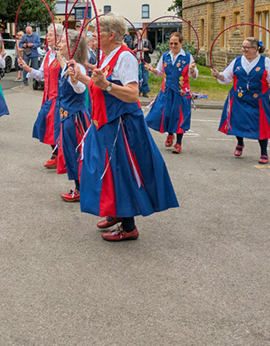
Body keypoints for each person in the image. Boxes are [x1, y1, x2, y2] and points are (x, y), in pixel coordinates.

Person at [68, 13, 179, 242]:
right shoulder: (109, 56)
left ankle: (129, 226)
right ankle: (116, 212)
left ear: (111, 34)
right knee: (105, 171)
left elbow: (132, 94)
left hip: (121, 125)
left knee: (121, 172)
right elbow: (100, 86)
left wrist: (106, 84)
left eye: (97, 32)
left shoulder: (125, 57)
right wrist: (81, 76)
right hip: (105, 122)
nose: (93, 36)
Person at [212, 36, 270, 164]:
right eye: (243, 47)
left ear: (255, 49)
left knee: (262, 125)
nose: (244, 50)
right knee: (238, 122)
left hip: (259, 99)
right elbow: (227, 76)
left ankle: (264, 152)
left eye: (246, 47)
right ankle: (240, 143)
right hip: (239, 98)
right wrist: (218, 75)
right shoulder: (237, 61)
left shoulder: (265, 61)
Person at [144, 32, 198, 154]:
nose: (173, 46)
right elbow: (159, 71)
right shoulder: (165, 56)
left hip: (181, 93)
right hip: (166, 91)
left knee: (179, 117)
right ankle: (170, 134)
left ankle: (178, 143)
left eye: (176, 43)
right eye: (171, 43)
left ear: (181, 43)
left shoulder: (187, 57)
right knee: (166, 114)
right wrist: (151, 69)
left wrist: (192, 70)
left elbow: (194, 75)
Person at [19, 23, 63, 167]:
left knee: (56, 127)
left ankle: (58, 156)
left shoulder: (63, 54)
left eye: (50, 35)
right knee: (45, 125)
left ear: (58, 37)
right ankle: (56, 155)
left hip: (59, 97)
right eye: (48, 34)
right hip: (48, 96)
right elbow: (41, 75)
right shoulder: (49, 54)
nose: (47, 37)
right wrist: (27, 68)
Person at [56, 30, 90, 202]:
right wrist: (61, 60)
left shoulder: (79, 67)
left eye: (62, 42)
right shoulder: (68, 65)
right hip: (67, 116)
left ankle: (80, 189)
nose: (59, 44)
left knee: (78, 152)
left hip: (76, 117)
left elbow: (81, 90)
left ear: (71, 46)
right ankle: (79, 187)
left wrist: (76, 80)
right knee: (71, 151)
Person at [137, 32, 153, 98]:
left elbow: (151, 51)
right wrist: (135, 50)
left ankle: (145, 91)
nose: (139, 35)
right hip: (137, 61)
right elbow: (131, 50)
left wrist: (146, 50)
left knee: (145, 76)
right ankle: (137, 91)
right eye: (137, 34)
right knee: (136, 77)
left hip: (145, 61)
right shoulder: (135, 42)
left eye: (140, 34)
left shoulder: (146, 42)